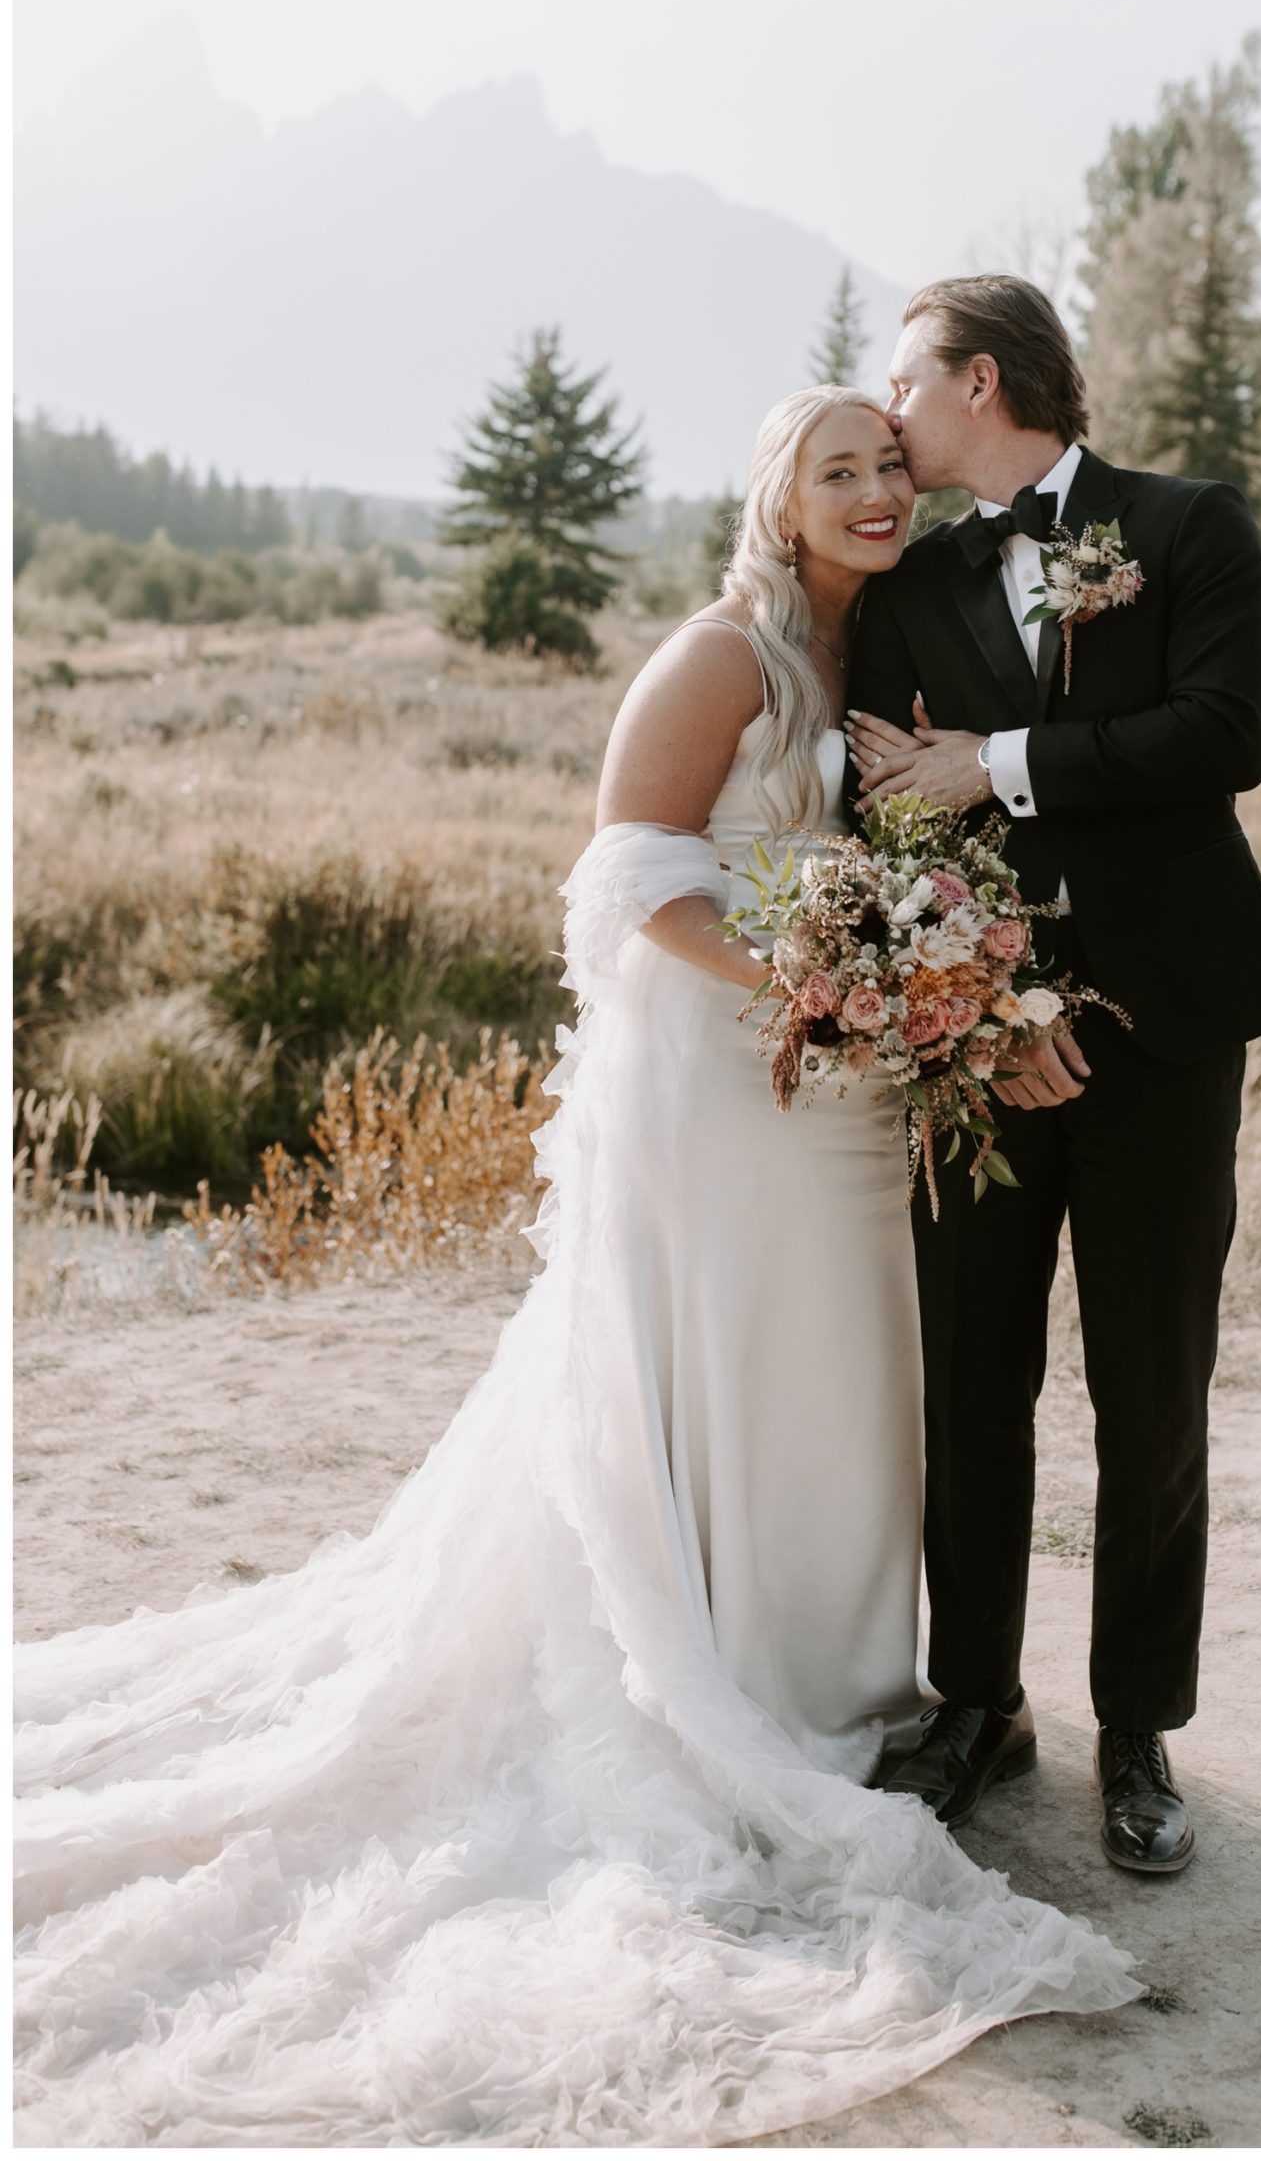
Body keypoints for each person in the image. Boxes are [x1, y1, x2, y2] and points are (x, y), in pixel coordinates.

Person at [14, 384, 1135, 2150]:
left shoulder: (889, 646)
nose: (873, 492)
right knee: (722, 1349)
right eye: (835, 471)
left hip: (845, 1089)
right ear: (776, 500)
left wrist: (926, 982)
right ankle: (731, 1688)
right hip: (722, 1073)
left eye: (888, 468)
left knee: (841, 1370)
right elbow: (623, 881)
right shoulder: (720, 655)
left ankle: (839, 1683)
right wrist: (819, 981)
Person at [844, 277, 1261, 1877]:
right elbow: (886, 816)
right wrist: (987, 1011)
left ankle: (1138, 1726)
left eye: (904, 383)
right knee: (973, 1382)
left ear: (979, 382)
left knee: (1153, 1387)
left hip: (1168, 1030)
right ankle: (978, 1702)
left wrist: (995, 761)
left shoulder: (1186, 529)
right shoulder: (913, 582)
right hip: (983, 1046)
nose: (889, 413)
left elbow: (1223, 737)